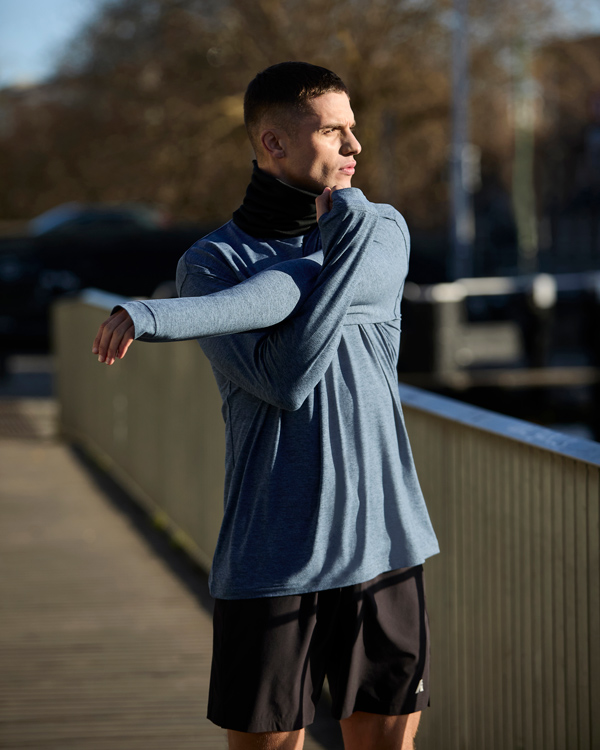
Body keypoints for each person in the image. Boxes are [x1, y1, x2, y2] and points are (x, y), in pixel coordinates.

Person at [92, 61, 439, 750]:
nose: (354, 148)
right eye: (333, 131)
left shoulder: (383, 229)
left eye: (354, 129)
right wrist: (177, 309)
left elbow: (289, 289)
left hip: (385, 544)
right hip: (274, 557)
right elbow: (286, 379)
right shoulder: (212, 264)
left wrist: (162, 317)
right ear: (274, 144)